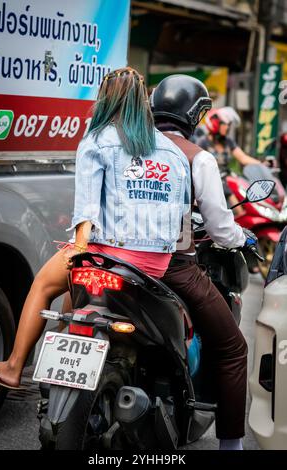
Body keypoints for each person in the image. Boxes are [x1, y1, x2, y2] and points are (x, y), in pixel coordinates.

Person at [0, 67, 191, 391]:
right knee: (74, 289)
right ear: (143, 102)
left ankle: (13, 367)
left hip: (107, 254)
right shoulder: (174, 152)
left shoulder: (98, 140)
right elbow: (182, 219)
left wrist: (80, 252)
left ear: (106, 99)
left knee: (43, 284)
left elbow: (86, 210)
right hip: (155, 264)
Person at [151, 74, 257, 451]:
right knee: (232, 348)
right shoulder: (198, 158)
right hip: (171, 266)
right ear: (194, 115)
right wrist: (242, 237)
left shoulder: (126, 147)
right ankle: (231, 446)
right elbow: (220, 225)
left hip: (110, 258)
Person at [198, 107, 264, 217]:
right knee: (237, 206)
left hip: (227, 179)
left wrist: (262, 164)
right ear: (215, 123)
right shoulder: (203, 142)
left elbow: (243, 158)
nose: (227, 127)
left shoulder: (228, 142)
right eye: (224, 124)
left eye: (228, 124)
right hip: (211, 181)